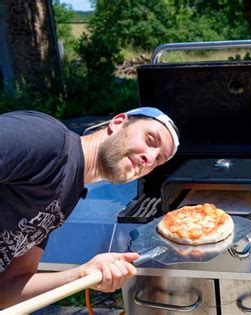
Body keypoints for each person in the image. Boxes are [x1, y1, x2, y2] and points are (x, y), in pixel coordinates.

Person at [0, 107, 179, 307]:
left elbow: (8, 288)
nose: (150, 159)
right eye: (149, 139)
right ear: (118, 122)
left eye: (158, 160)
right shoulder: (47, 140)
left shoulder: (68, 194)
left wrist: (82, 273)